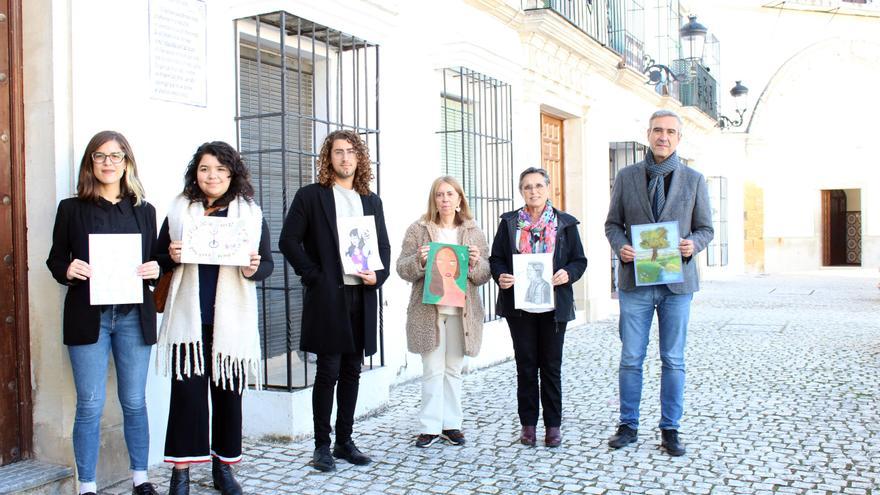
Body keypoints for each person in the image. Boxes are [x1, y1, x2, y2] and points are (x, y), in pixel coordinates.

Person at [46, 131, 160, 495]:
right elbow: (55, 259)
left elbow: (154, 260)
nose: (108, 163)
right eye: (100, 156)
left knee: (134, 400)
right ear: (90, 163)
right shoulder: (71, 209)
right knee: (90, 403)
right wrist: (68, 270)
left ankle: (140, 478)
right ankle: (88, 486)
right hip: (88, 317)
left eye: (115, 155)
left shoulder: (144, 210)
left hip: (131, 316)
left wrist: (155, 269)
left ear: (127, 161)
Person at [156, 141, 273, 495]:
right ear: (196, 172)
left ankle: (224, 470)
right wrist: (171, 254)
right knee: (187, 399)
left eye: (221, 170)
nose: (213, 176)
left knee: (228, 399)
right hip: (188, 323)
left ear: (232, 174)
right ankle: (181, 473)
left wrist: (254, 268)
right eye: (206, 168)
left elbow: (266, 263)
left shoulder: (250, 215)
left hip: (230, 326)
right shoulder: (178, 211)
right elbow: (157, 258)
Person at [279, 129, 391, 472]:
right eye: (338, 152)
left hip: (361, 294)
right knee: (327, 371)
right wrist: (314, 275)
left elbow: (383, 248)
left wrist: (379, 275)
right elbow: (288, 241)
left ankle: (345, 440)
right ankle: (321, 445)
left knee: (352, 370)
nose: (345, 158)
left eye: (351, 152)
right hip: (329, 296)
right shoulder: (312, 196)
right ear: (328, 158)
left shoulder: (370, 200)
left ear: (360, 158)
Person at [604, 109, 713, 456]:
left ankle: (670, 429)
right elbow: (612, 224)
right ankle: (628, 424)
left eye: (669, 131)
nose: (663, 137)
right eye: (657, 131)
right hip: (636, 282)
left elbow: (706, 228)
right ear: (647, 134)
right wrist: (620, 246)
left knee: (673, 359)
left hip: (676, 284)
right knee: (631, 357)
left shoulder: (694, 180)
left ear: (678, 138)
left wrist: (692, 245)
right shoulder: (626, 176)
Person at [489, 167, 587, 448]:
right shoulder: (509, 223)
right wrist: (501, 276)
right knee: (526, 366)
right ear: (521, 191)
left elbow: (579, 261)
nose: (533, 191)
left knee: (551, 367)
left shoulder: (565, 224)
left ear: (548, 188)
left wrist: (567, 273)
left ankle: (553, 427)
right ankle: (528, 426)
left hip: (553, 307)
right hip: (519, 308)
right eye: (527, 187)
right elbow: (496, 259)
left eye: (538, 186)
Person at [397, 176, 491, 448]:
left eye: (450, 194)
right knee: (432, 369)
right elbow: (402, 268)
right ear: (433, 199)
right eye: (440, 194)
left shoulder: (473, 231)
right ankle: (429, 427)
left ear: (460, 199)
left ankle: (452, 425)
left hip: (462, 312)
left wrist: (474, 263)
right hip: (429, 311)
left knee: (453, 369)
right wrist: (420, 260)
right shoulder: (419, 229)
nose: (445, 199)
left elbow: (485, 273)